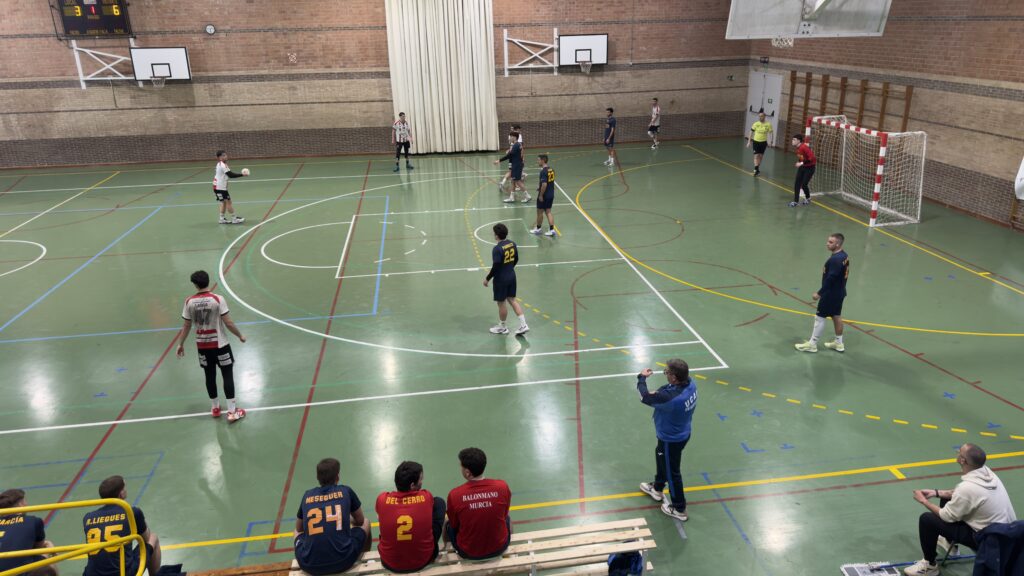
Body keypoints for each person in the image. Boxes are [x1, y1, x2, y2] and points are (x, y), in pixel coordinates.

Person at [903, 444, 1017, 576]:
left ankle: (930, 566)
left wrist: (924, 501)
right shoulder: (988, 473)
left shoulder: (967, 487)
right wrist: (936, 493)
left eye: (959, 452)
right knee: (947, 500)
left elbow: (945, 515)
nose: (957, 454)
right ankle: (949, 543)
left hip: (988, 542)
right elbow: (961, 495)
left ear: (962, 460)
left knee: (927, 520)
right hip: (1007, 536)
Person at [176, 270, 247, 422]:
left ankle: (215, 408)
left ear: (195, 285)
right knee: (227, 375)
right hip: (221, 345)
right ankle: (232, 412)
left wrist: (180, 344)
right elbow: (228, 322)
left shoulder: (189, 302)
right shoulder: (217, 299)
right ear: (208, 281)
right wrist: (240, 335)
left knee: (209, 376)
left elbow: (186, 325)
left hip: (203, 346)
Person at [635, 359, 697, 522]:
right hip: (682, 432)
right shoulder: (691, 384)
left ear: (675, 377)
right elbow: (667, 391)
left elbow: (644, 397)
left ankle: (679, 508)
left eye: (667, 372)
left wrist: (641, 378)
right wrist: (659, 393)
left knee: (672, 472)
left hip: (671, 439)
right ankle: (657, 488)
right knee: (661, 457)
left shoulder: (671, 399)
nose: (665, 374)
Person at [294, 458, 371, 576]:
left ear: (317, 478)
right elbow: (360, 521)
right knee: (366, 522)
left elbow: (299, 528)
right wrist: (345, 519)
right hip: (344, 561)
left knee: (296, 532)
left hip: (309, 565)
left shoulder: (307, 495)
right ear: (338, 476)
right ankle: (365, 561)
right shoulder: (346, 491)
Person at [376, 461, 447, 573]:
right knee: (439, 502)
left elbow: (379, 517)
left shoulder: (382, 499)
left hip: (389, 562)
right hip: (423, 559)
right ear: (412, 485)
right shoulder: (426, 496)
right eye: (421, 479)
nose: (422, 482)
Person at [82, 476, 161, 576]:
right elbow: (146, 538)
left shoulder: (88, 517)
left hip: (92, 574)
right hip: (123, 573)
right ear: (121, 494)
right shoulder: (132, 512)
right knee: (153, 538)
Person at [445, 448, 512, 560]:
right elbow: (505, 514)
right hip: (499, 547)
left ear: (467, 473)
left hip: (468, 552)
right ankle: (506, 554)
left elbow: (454, 524)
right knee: (507, 517)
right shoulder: (502, 486)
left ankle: (450, 559)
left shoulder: (455, 495)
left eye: (461, 467)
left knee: (447, 524)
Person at [795, 233, 849, 353]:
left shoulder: (835, 259)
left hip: (830, 294)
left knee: (820, 318)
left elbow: (831, 278)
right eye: (828, 241)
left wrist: (819, 293)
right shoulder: (844, 255)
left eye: (830, 242)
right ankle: (839, 343)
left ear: (838, 244)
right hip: (839, 292)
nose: (827, 244)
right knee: (836, 316)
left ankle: (812, 344)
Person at [482, 223, 528, 335]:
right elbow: (516, 259)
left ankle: (503, 327)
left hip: (501, 279)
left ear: (496, 235)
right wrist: (509, 268)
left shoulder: (497, 249)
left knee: (501, 303)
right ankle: (523, 325)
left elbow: (496, 266)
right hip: (511, 275)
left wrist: (487, 279)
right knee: (512, 300)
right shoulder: (512, 244)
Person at [0, 489, 54, 572]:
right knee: (47, 550)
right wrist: (49, 549)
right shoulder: (33, 521)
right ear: (21, 504)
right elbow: (38, 548)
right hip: (20, 572)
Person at [493, 132, 530, 203]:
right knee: (513, 181)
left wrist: (499, 160)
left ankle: (527, 196)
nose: (509, 138)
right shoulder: (518, 145)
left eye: (511, 137)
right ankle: (511, 197)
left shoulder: (516, 145)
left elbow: (509, 156)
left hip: (517, 165)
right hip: (516, 164)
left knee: (518, 181)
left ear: (514, 137)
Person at [213, 150, 247, 224]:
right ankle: (234, 219)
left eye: (226, 155)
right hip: (220, 188)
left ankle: (221, 219)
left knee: (223, 203)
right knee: (228, 202)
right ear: (219, 157)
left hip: (217, 187)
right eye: (223, 155)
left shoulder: (220, 164)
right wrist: (242, 174)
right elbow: (231, 175)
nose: (226, 156)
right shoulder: (223, 165)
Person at [531, 154, 557, 237]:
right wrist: (539, 188)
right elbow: (549, 182)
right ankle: (552, 230)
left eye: (538, 160)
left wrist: (541, 195)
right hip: (551, 194)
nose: (537, 161)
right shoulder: (551, 169)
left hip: (544, 195)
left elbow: (544, 184)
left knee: (539, 212)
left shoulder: (543, 171)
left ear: (543, 160)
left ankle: (538, 229)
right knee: (548, 211)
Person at [789, 134, 815, 206]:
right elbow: (802, 157)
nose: (792, 141)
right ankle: (795, 201)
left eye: (794, 140)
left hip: (810, 168)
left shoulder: (804, 147)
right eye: (792, 139)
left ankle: (808, 198)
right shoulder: (797, 148)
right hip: (802, 167)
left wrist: (801, 163)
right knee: (797, 184)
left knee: (804, 184)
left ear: (798, 141)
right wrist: (799, 162)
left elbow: (812, 158)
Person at [746, 111, 773, 176]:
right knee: (756, 155)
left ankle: (757, 169)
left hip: (763, 142)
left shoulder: (768, 124)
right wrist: (749, 142)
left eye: (761, 116)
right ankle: (756, 170)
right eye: (759, 116)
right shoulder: (756, 124)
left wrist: (771, 141)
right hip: (756, 142)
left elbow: (771, 133)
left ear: (764, 117)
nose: (760, 117)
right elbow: (751, 132)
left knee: (760, 156)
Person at [500, 125, 526, 190]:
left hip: (512, 156)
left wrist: (509, 150)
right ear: (517, 129)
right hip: (515, 157)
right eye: (519, 129)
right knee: (514, 173)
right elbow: (520, 147)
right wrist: (522, 157)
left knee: (511, 171)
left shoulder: (511, 136)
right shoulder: (517, 136)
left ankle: (503, 182)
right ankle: (519, 188)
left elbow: (512, 146)